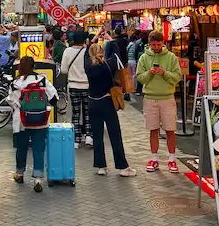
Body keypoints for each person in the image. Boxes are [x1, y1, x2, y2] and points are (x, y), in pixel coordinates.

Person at [85, 43, 137, 177]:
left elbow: (86, 52)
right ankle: (122, 167)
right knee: (115, 134)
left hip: (92, 102)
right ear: (102, 52)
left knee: (97, 135)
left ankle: (101, 166)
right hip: (107, 102)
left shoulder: (88, 66)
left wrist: (93, 41)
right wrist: (110, 39)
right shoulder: (108, 65)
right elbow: (116, 51)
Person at [8, 56, 58, 192]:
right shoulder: (42, 80)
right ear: (33, 66)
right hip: (41, 121)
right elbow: (54, 98)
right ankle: (38, 178)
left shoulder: (15, 83)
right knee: (39, 149)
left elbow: (11, 101)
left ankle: (19, 173)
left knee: (21, 148)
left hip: (22, 122)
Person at [136, 30, 182, 173]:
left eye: (159, 44)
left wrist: (165, 73)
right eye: (154, 45)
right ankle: (154, 158)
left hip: (167, 97)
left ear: (163, 43)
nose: (156, 47)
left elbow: (177, 77)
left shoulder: (171, 57)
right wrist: (150, 73)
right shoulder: (144, 57)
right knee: (153, 129)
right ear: (149, 44)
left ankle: (172, 159)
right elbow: (139, 78)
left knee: (170, 130)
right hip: (150, 98)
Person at [60, 31, 91, 148]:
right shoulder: (87, 51)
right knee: (88, 112)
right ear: (84, 40)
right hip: (87, 85)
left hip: (73, 85)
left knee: (76, 112)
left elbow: (63, 70)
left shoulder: (67, 51)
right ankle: (89, 136)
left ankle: (76, 140)